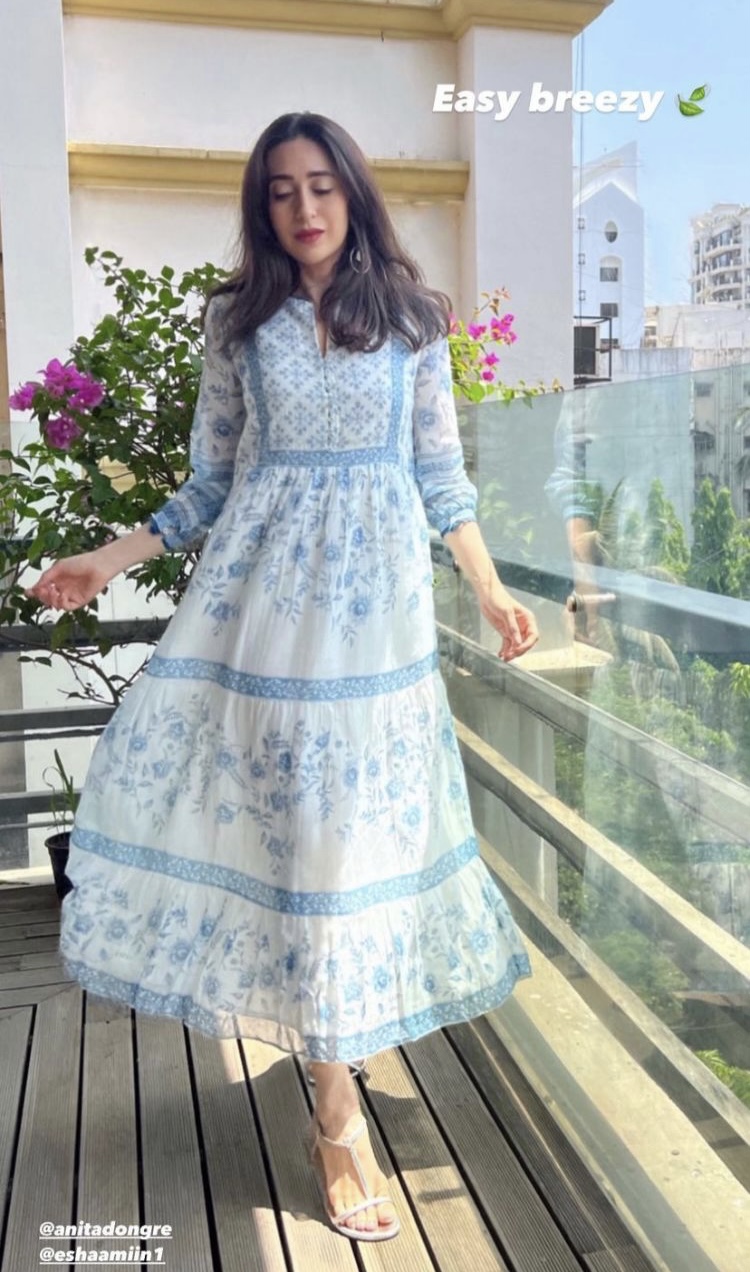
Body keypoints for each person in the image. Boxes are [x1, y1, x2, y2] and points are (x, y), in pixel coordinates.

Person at [27, 112, 537, 1243]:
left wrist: (493, 590)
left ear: (353, 192)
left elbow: (440, 477)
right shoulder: (238, 320)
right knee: (296, 847)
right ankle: (335, 1107)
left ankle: (334, 1098)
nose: (304, 209)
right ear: (263, 209)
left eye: (321, 186)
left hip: (376, 635)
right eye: (280, 191)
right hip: (261, 623)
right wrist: (108, 558)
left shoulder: (413, 318)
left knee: (349, 852)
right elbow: (210, 483)